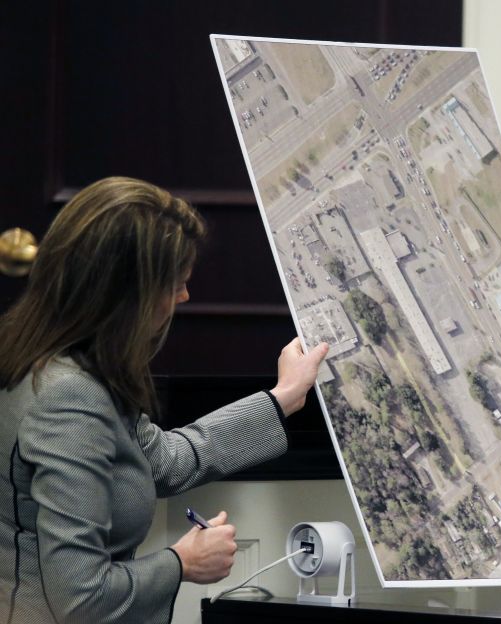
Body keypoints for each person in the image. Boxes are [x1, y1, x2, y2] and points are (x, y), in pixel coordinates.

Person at [0, 177, 329, 624]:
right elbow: (80, 601)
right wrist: (183, 562)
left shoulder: (61, 361)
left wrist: (283, 397)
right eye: (174, 283)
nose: (184, 296)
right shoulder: (69, 399)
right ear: (125, 294)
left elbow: (165, 460)